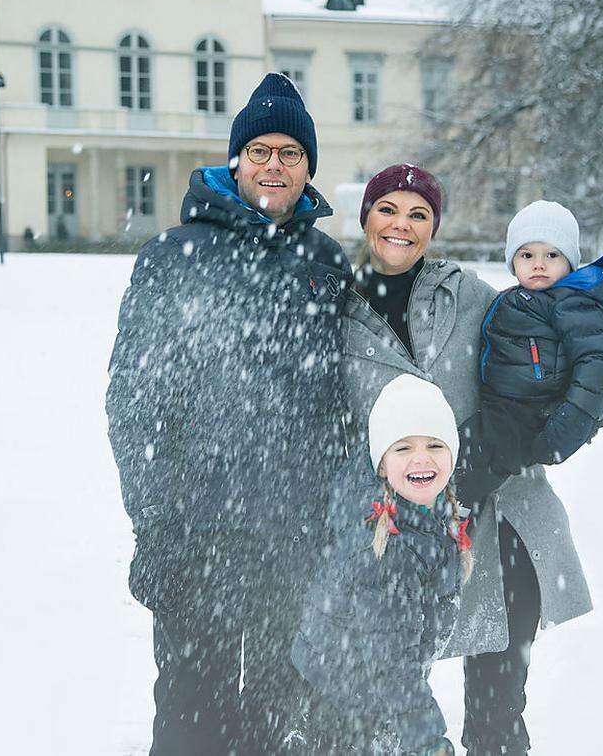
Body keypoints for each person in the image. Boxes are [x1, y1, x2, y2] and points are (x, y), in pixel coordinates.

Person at [104, 72, 352, 755]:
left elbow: (344, 406)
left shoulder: (327, 265)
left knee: (284, 725)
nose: (275, 165)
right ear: (237, 159)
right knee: (193, 725)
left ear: (308, 169)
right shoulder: (173, 258)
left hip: (297, 544)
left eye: (291, 154)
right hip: (197, 539)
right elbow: (138, 402)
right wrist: (156, 525)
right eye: (262, 150)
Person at [340, 164, 592, 756]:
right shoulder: (337, 316)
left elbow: (548, 378)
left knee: (497, 713)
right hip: (395, 536)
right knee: (393, 715)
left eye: (418, 214)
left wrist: (480, 462)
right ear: (366, 218)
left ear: (433, 227)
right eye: (388, 210)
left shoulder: (474, 297)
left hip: (502, 520)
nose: (401, 225)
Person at [282, 374, 471, 755]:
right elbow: (391, 660)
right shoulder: (386, 546)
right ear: (382, 464)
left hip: (365, 696)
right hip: (343, 710)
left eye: (435, 445)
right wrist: (426, 738)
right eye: (403, 448)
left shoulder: (429, 514)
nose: (421, 457)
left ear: (452, 456)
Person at [472, 199, 603, 484]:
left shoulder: (572, 303)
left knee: (481, 457)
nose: (538, 264)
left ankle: (455, 509)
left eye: (551, 255)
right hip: (502, 405)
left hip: (530, 413)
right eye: (527, 255)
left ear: (569, 263)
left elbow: (596, 363)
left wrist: (574, 419)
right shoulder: (523, 296)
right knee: (466, 447)